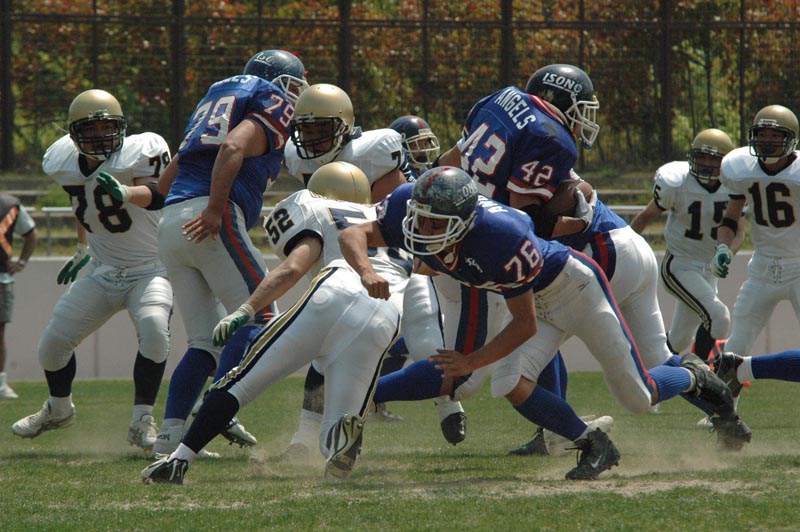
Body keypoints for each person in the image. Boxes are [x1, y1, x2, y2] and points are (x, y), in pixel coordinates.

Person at [341, 167, 749, 480]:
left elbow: (523, 325)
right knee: (508, 382)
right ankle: (593, 444)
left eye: (435, 224)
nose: (422, 230)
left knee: (638, 398)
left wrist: (471, 361)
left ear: (464, 222)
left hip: (575, 290)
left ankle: (691, 374)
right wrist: (367, 271)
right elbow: (353, 235)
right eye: (420, 219)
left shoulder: (501, 236)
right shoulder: (414, 206)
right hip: (536, 299)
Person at [140, 162, 408, 484]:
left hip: (337, 289)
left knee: (241, 381)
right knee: (339, 420)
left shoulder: (318, 209)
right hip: (385, 314)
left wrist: (246, 309)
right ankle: (339, 440)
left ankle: (179, 460)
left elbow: (292, 268)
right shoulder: (387, 218)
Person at [280, 85, 465, 461]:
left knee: (426, 338)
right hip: (348, 258)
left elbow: (398, 214)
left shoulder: (375, 151)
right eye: (306, 130)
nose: (312, 140)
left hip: (395, 256)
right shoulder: (299, 159)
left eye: (321, 129)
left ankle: (447, 404)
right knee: (325, 346)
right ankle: (305, 437)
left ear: (344, 126)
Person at [149, 49, 308, 457]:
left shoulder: (217, 101)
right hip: (209, 217)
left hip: (172, 222)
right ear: (276, 82)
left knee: (205, 341)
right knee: (262, 317)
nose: (297, 95)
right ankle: (213, 410)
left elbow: (164, 184)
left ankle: (169, 436)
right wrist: (215, 208)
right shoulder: (269, 99)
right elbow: (233, 147)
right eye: (294, 86)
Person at [11, 89, 172, 451]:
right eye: (91, 129)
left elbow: (159, 192)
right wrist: (82, 245)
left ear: (121, 127)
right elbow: (83, 201)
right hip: (103, 269)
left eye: (107, 127)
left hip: (149, 268)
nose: (101, 136)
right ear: (74, 134)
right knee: (52, 346)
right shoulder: (61, 161)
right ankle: (58, 409)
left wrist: (126, 193)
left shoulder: (142, 149)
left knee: (154, 328)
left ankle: (142, 420)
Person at [631, 129, 743, 359]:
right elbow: (644, 217)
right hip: (679, 265)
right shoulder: (678, 182)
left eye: (713, 158)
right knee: (719, 318)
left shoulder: (733, 186)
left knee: (679, 339)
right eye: (702, 156)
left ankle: (647, 369)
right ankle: (700, 373)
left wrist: (727, 253)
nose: (706, 163)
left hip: (709, 268)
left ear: (725, 162)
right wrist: (622, 252)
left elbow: (739, 230)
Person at [0, 193, 38, 399]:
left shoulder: (9, 204)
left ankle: (0, 384)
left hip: (2, 278)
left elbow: (31, 234)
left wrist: (21, 262)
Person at [389, 115, 441, 181]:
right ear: (400, 146)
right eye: (416, 145)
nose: (424, 150)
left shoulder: (424, 172)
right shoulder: (395, 177)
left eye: (425, 144)